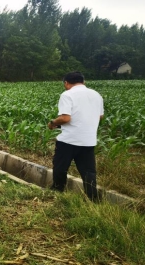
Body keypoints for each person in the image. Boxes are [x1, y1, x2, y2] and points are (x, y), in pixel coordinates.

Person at [47, 71, 104, 201]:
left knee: (60, 167)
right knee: (88, 172)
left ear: (66, 83)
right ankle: (92, 199)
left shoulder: (67, 94)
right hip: (88, 141)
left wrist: (53, 123)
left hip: (69, 140)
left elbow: (65, 118)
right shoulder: (96, 95)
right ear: (83, 82)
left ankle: (57, 191)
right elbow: (100, 116)